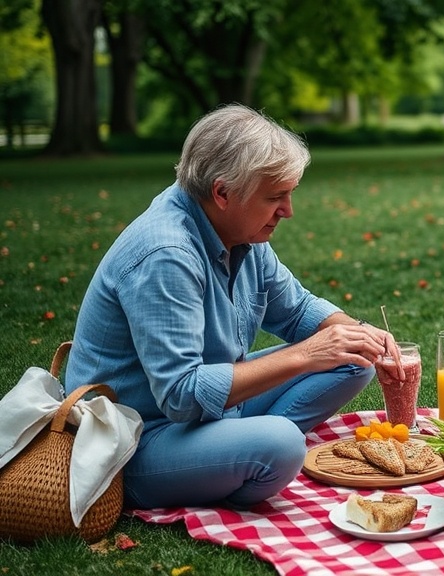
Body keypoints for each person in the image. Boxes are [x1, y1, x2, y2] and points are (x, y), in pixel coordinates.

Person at [64, 104, 403, 510]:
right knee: (281, 443)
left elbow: (296, 311)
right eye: (275, 197)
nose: (288, 211)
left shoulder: (240, 232)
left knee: (354, 355)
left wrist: (356, 332)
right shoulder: (166, 254)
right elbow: (180, 395)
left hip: (209, 415)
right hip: (134, 442)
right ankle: (239, 464)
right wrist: (308, 354)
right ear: (223, 193)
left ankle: (234, 456)